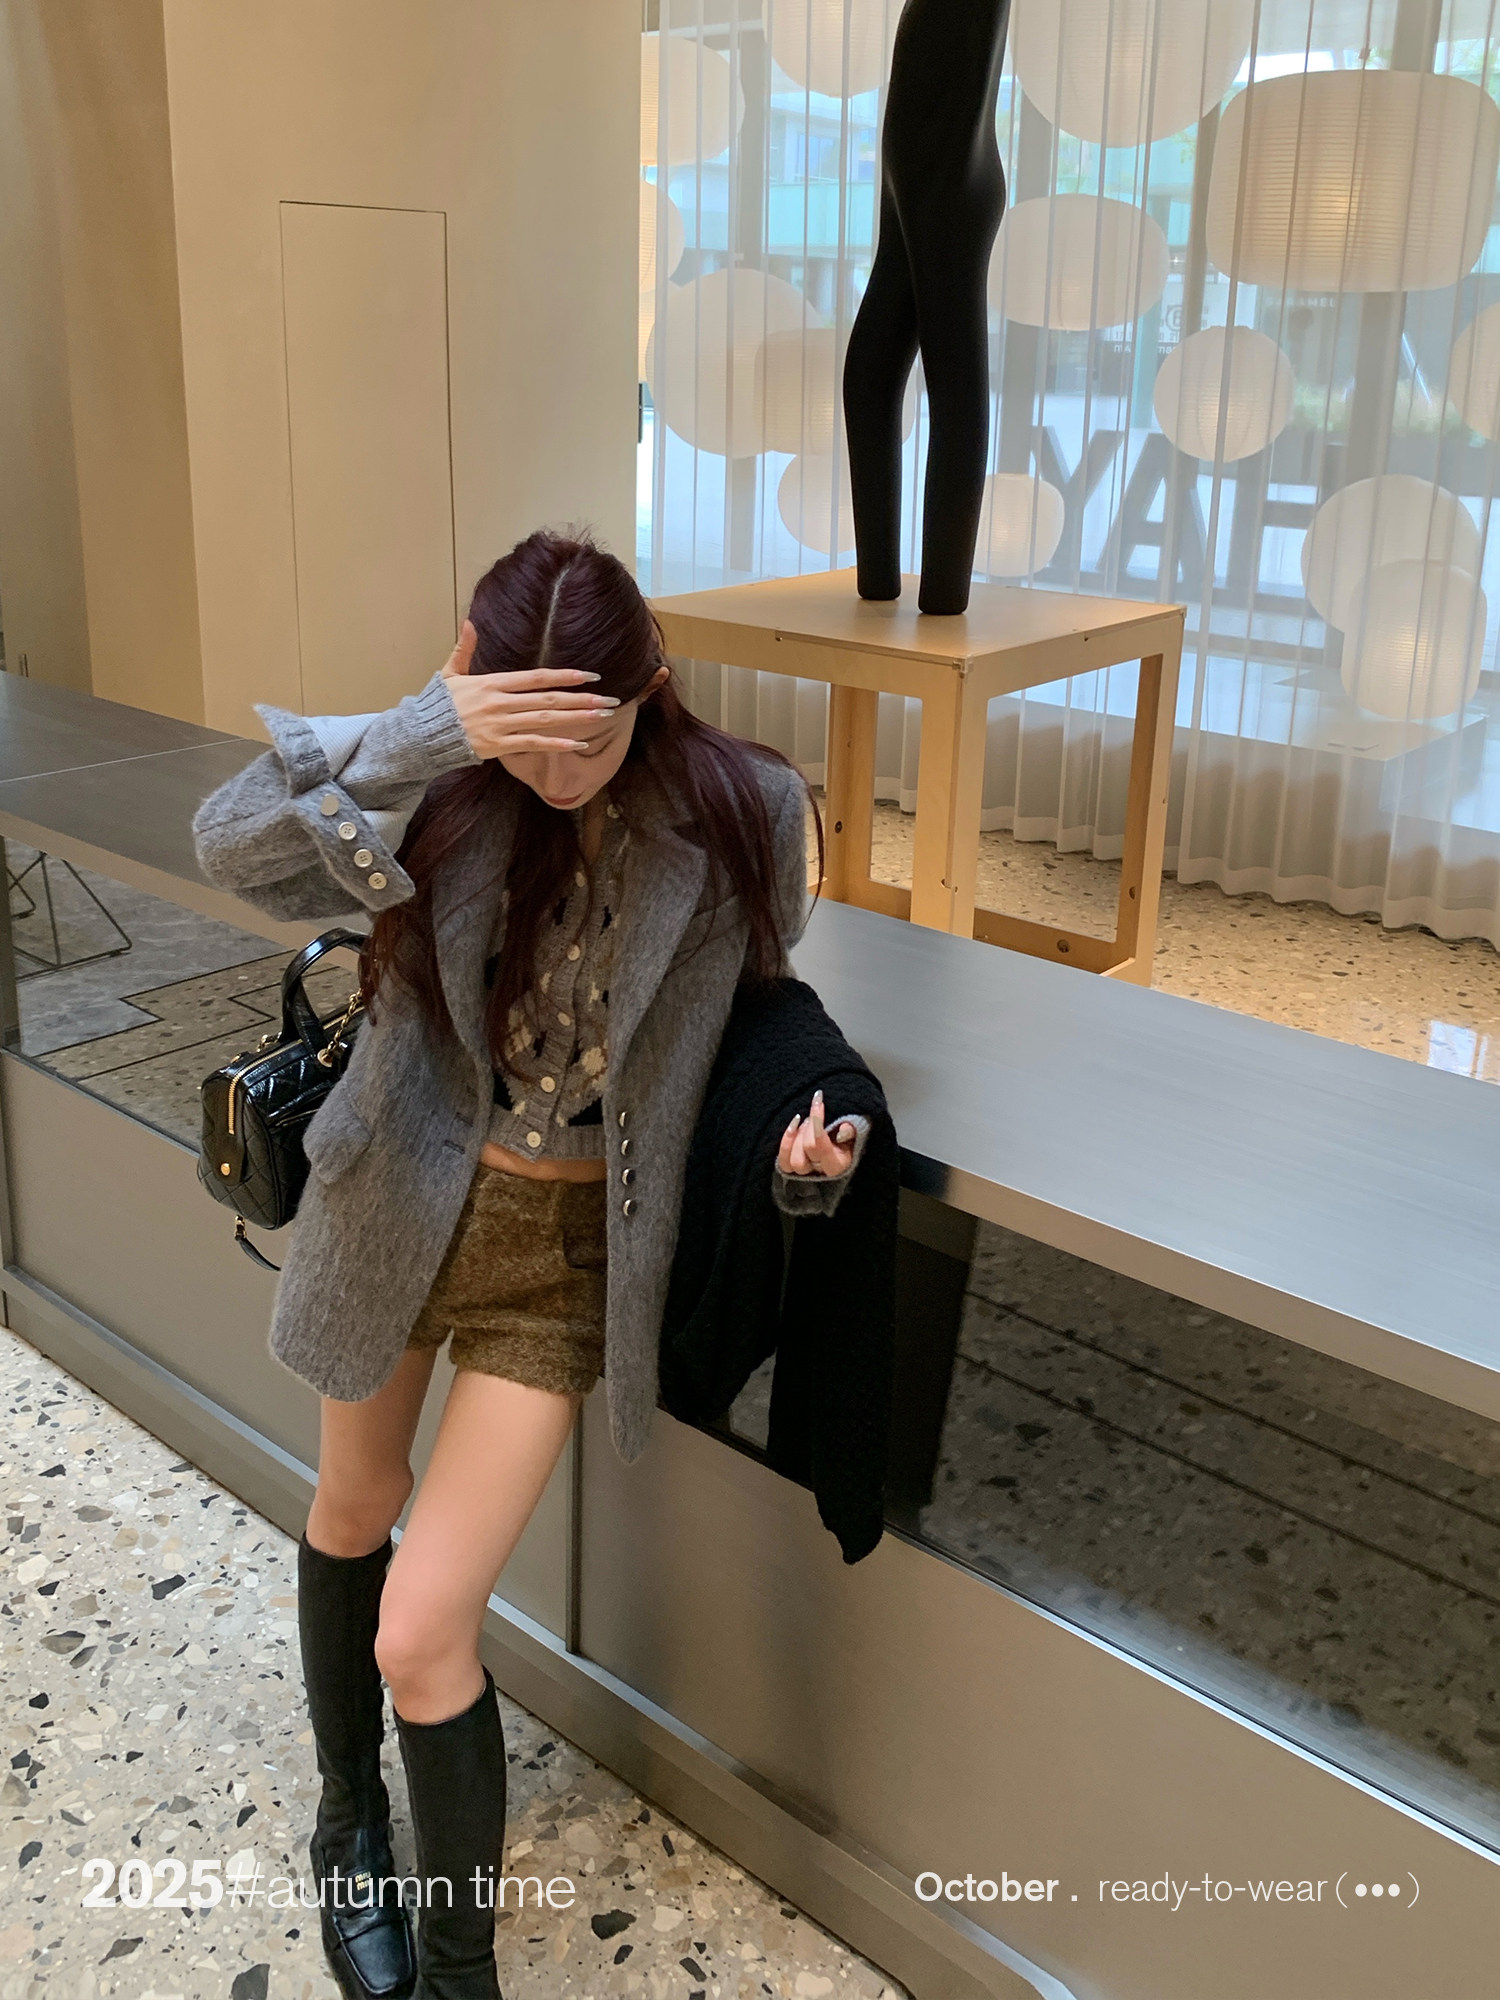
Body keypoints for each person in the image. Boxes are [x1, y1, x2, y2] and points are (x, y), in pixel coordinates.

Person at [191, 529, 873, 2000]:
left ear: (654, 683)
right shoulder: (444, 772)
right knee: (353, 1506)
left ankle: (460, 1977)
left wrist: (809, 1143)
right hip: (392, 1206)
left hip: (563, 1254)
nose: (559, 775)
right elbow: (230, 845)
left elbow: (753, 1017)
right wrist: (428, 727)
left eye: (594, 738)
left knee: (426, 1627)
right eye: (528, 738)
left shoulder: (747, 810)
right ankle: (348, 1815)